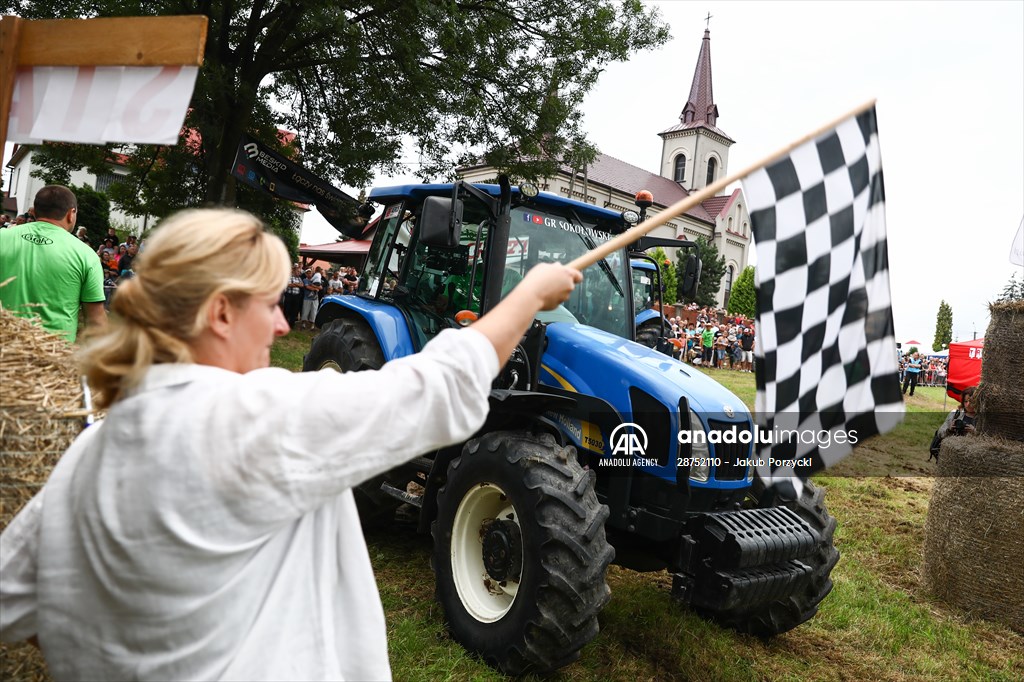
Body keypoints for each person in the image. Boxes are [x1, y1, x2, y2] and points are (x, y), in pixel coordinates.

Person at [0, 207, 580, 681]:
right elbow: (439, 387)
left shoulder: (88, 455)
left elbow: (11, 597)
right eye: (273, 303)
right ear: (220, 311)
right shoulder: (255, 420)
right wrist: (527, 295)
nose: (284, 327)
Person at [0, 185, 107, 341]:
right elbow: (96, 322)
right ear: (71, 214)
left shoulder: (2, 237)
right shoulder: (86, 255)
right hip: (52, 358)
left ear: (34, 212)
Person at [283, 264, 304, 328]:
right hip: (289, 296)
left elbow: (302, 285)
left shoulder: (299, 278)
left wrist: (294, 284)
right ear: (294, 271)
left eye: (299, 272)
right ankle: (284, 323)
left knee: (294, 310)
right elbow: (288, 285)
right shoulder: (289, 277)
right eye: (298, 271)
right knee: (287, 310)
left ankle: (291, 325)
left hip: (296, 297)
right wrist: (297, 284)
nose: (299, 273)